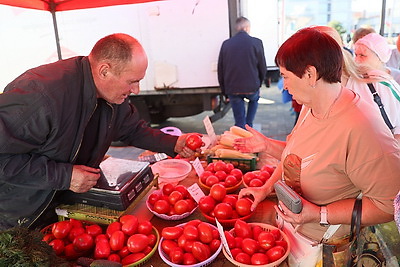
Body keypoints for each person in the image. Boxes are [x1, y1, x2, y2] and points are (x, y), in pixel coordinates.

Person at [0, 33, 201, 230]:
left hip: (65, 206)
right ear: (104, 71)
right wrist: (65, 176)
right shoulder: (41, 96)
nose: (137, 90)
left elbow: (131, 129)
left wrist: (172, 143)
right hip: (23, 216)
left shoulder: (111, 95)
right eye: (132, 81)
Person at [237, 27, 400, 264]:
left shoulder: (362, 128)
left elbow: (388, 206)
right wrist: (265, 189)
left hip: (325, 247)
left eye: (285, 76)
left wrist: (320, 214)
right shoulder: (311, 105)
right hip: (296, 234)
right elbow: (293, 156)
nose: (283, 86)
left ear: (310, 75)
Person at [217, 16, 267, 129]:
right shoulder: (256, 42)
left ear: (237, 28)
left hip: (233, 88)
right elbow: (262, 67)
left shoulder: (226, 44)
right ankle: (249, 125)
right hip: (251, 87)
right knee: (254, 100)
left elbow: (221, 69)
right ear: (247, 28)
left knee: (239, 121)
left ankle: (241, 130)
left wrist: (225, 91)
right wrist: (259, 84)